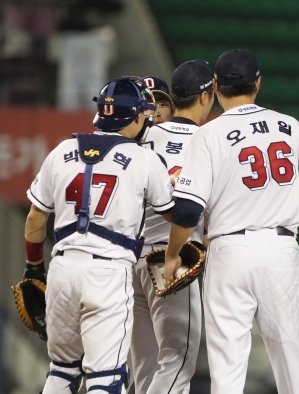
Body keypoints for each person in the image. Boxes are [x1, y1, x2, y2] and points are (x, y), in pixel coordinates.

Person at [163, 49, 299, 394]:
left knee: (228, 367)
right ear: (258, 83)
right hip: (280, 247)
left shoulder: (206, 135)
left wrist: (172, 254)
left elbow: (189, 210)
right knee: (290, 357)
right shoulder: (288, 125)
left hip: (229, 250)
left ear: (217, 86)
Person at [24, 77, 175, 394]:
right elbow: (174, 215)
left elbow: (36, 220)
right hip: (107, 273)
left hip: (62, 270)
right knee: (106, 378)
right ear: (134, 116)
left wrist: (34, 268)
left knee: (62, 372)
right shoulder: (145, 158)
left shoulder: (62, 151)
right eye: (144, 114)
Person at [129, 63, 214, 394]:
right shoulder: (209, 140)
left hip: (130, 258)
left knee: (145, 368)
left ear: (173, 99)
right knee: (177, 362)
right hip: (171, 258)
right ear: (206, 97)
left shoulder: (139, 138)